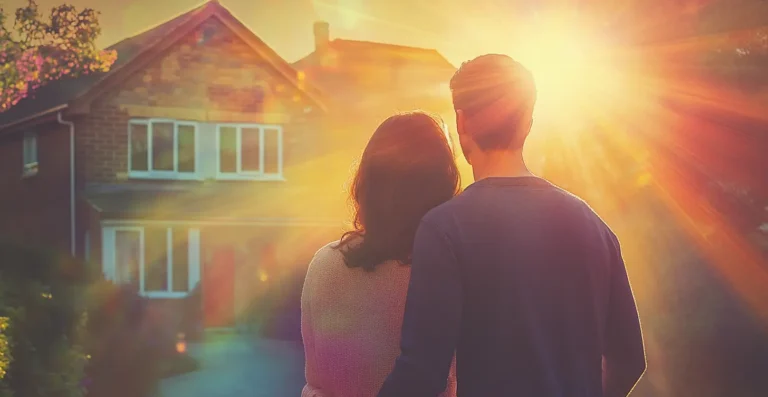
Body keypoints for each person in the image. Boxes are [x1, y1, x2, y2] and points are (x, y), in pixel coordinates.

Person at [377, 54, 646, 397]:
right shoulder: (594, 227)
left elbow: (422, 373)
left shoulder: (445, 228)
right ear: (528, 123)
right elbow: (629, 360)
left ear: (461, 122)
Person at [301, 111, 460, 397]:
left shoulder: (323, 265)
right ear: (441, 187)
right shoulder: (443, 273)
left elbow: (316, 383)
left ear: (368, 181)